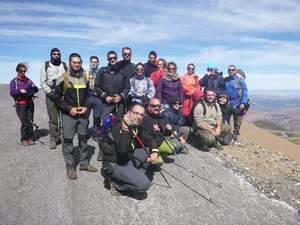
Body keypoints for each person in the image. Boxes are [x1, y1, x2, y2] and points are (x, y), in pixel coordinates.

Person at [54, 53, 97, 180]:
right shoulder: (63, 79)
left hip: (83, 114)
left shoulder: (86, 78)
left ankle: (84, 164)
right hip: (69, 115)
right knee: (68, 140)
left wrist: (86, 107)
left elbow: (89, 96)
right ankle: (70, 166)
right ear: (69, 63)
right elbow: (56, 98)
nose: (77, 64)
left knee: (83, 139)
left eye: (79, 62)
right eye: (74, 62)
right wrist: (69, 109)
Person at [100, 103, 151, 198]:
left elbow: (146, 139)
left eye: (141, 115)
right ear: (128, 112)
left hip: (127, 158)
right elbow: (122, 151)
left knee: (147, 151)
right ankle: (116, 184)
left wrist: (155, 150)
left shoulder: (134, 123)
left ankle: (133, 176)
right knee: (144, 185)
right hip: (115, 163)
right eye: (136, 113)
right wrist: (125, 129)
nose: (139, 117)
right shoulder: (118, 125)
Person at [141, 98, 183, 165]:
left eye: (158, 106)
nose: (157, 108)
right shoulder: (145, 118)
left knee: (173, 148)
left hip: (159, 141)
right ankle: (152, 157)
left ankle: (160, 154)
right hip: (149, 145)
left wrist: (178, 136)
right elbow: (147, 137)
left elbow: (168, 126)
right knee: (158, 163)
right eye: (153, 106)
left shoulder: (160, 116)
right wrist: (154, 150)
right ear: (148, 106)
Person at [40, 48, 67, 149]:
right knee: (53, 118)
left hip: (62, 94)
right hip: (51, 94)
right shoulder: (46, 65)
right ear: (51, 55)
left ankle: (65, 137)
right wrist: (50, 93)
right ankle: (54, 138)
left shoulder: (63, 65)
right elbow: (43, 81)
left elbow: (67, 79)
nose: (56, 55)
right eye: (54, 54)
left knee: (64, 117)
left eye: (58, 54)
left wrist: (64, 92)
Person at [95, 51, 130, 120]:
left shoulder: (123, 71)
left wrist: (121, 96)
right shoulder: (102, 70)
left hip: (120, 103)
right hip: (107, 103)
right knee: (107, 125)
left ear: (117, 58)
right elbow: (96, 86)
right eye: (110, 58)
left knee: (118, 125)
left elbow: (127, 87)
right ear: (108, 59)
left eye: (114, 58)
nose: (112, 60)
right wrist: (105, 96)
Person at [10, 63, 39, 146]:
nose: (23, 73)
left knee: (30, 121)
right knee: (24, 122)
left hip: (30, 104)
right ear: (17, 71)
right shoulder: (14, 81)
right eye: (21, 71)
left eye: (24, 71)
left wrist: (33, 88)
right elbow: (12, 92)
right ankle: (24, 139)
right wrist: (19, 90)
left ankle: (30, 138)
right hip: (21, 105)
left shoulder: (28, 80)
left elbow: (36, 89)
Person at [224, 65, 248, 137]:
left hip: (238, 103)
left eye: (233, 69)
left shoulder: (240, 80)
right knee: (226, 119)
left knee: (237, 121)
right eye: (229, 70)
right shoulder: (225, 80)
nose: (231, 71)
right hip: (228, 103)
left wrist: (243, 102)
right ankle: (227, 133)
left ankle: (235, 134)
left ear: (235, 71)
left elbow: (245, 91)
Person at [86, 56, 102, 137]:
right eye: (92, 62)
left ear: (98, 63)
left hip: (98, 97)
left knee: (97, 117)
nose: (94, 63)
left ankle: (95, 133)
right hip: (88, 97)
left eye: (95, 62)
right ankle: (84, 133)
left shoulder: (101, 72)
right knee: (85, 116)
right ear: (90, 63)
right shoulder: (85, 73)